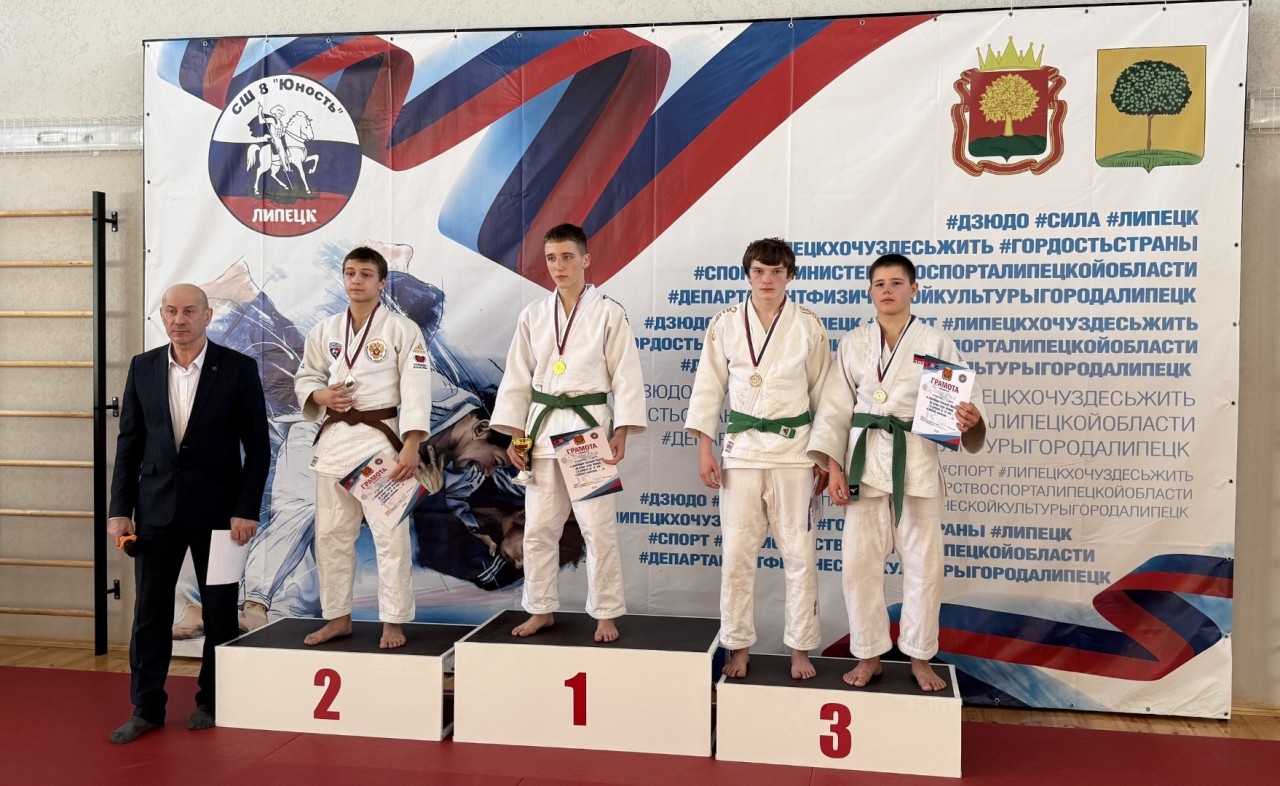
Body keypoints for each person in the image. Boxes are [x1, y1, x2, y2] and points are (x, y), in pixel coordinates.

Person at [807, 253, 986, 692]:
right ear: (870, 291)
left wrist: (971, 419)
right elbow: (834, 410)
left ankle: (920, 656)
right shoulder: (853, 343)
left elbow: (967, 407)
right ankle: (869, 654)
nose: (887, 290)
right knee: (858, 567)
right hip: (864, 466)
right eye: (879, 284)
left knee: (925, 568)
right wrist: (833, 468)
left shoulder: (936, 342)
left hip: (917, 464)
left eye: (896, 283)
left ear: (914, 289)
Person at [106, 283, 270, 744]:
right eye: (171, 311)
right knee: (149, 613)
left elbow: (258, 446)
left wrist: (245, 509)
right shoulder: (142, 367)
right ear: (162, 315)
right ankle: (147, 708)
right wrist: (120, 510)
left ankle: (212, 701)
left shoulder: (237, 368)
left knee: (219, 611)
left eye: (189, 311)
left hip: (221, 515)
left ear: (208, 315)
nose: (179, 319)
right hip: (154, 510)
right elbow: (129, 443)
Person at [491, 223, 646, 643]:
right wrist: (515, 435)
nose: (558, 266)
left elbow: (626, 375)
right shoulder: (534, 314)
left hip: (588, 432)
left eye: (567, 257)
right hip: (542, 432)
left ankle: (606, 612)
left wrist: (622, 430)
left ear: (585, 259)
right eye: (551, 259)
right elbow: (517, 378)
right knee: (539, 528)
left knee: (597, 528)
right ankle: (540, 608)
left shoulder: (609, 312)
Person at [685, 237, 831, 680]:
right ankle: (739, 645)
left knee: (800, 555)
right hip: (742, 452)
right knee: (737, 555)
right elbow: (708, 388)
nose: (767, 280)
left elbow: (824, 395)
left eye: (776, 272)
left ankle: (801, 648)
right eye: (759, 272)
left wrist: (825, 457)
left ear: (791, 275)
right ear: (748, 274)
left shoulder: (808, 324)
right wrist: (705, 449)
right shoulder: (726, 322)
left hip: (795, 452)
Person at [294, 246, 432, 649]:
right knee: (331, 536)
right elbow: (306, 376)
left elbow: (417, 388)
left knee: (391, 537)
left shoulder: (402, 330)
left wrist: (412, 444)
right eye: (350, 273)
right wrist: (320, 395)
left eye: (366, 274)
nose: (356, 280)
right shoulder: (325, 330)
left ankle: (393, 621)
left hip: (381, 443)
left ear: (382, 282)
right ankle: (338, 618)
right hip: (335, 442)